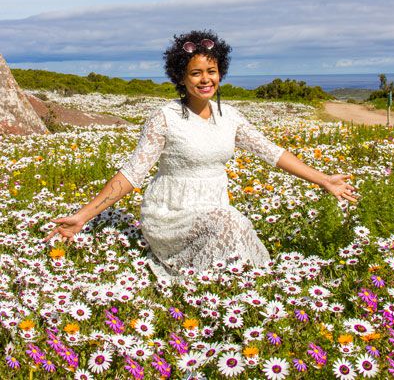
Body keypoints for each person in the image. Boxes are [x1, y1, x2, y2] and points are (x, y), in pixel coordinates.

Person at [43, 30, 357, 279]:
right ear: (181, 78)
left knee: (231, 227)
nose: (205, 79)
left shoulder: (230, 116)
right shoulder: (164, 118)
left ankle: (234, 293)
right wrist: (83, 216)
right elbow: (131, 174)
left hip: (214, 208)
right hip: (170, 215)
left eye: (212, 71)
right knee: (233, 225)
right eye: (195, 73)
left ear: (221, 74)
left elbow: (272, 153)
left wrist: (324, 180)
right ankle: (216, 293)